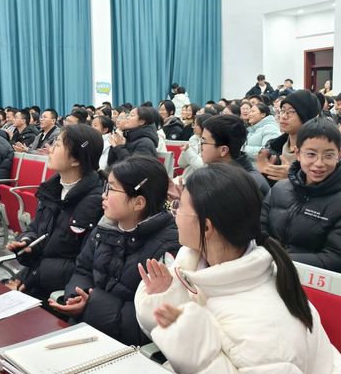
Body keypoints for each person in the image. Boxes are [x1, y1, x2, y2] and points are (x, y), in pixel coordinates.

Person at [134, 163, 340, 373]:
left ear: (206, 227)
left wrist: (193, 347)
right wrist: (165, 298)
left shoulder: (266, 327)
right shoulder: (193, 264)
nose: (174, 214)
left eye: (179, 207)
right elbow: (179, 328)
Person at [49, 156, 179, 345]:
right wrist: (77, 296)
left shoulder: (168, 248)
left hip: (125, 348)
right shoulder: (106, 226)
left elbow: (149, 321)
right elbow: (82, 270)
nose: (104, 195)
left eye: (111, 189)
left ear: (138, 203)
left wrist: (91, 304)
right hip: (87, 330)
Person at [5, 125, 105, 301]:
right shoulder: (52, 189)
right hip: (36, 276)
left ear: (75, 160)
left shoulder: (96, 203)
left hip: (60, 291)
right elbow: (36, 229)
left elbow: (85, 265)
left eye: (57, 145)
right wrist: (27, 242)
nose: (49, 149)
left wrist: (33, 278)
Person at [262, 118, 341, 272]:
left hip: (307, 280)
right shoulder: (279, 188)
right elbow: (260, 230)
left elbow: (335, 257)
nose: (319, 163)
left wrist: (279, 259)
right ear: (297, 153)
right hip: (268, 272)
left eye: (328, 155)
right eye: (311, 154)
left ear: (339, 155)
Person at [258, 90, 321, 183]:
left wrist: (292, 177)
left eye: (291, 112)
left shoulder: (319, 152)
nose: (283, 116)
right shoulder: (273, 146)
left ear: (307, 116)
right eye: (282, 111)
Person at [201, 114, 270, 197]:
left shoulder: (246, 184)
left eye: (203, 142)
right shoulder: (218, 172)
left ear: (223, 150)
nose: (200, 147)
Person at [175, 113, 211, 185]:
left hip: (199, 181)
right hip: (186, 178)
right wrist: (185, 151)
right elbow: (181, 164)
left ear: (204, 127)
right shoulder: (194, 139)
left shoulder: (209, 143)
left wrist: (188, 151)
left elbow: (199, 167)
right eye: (193, 124)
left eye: (196, 125)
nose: (193, 127)